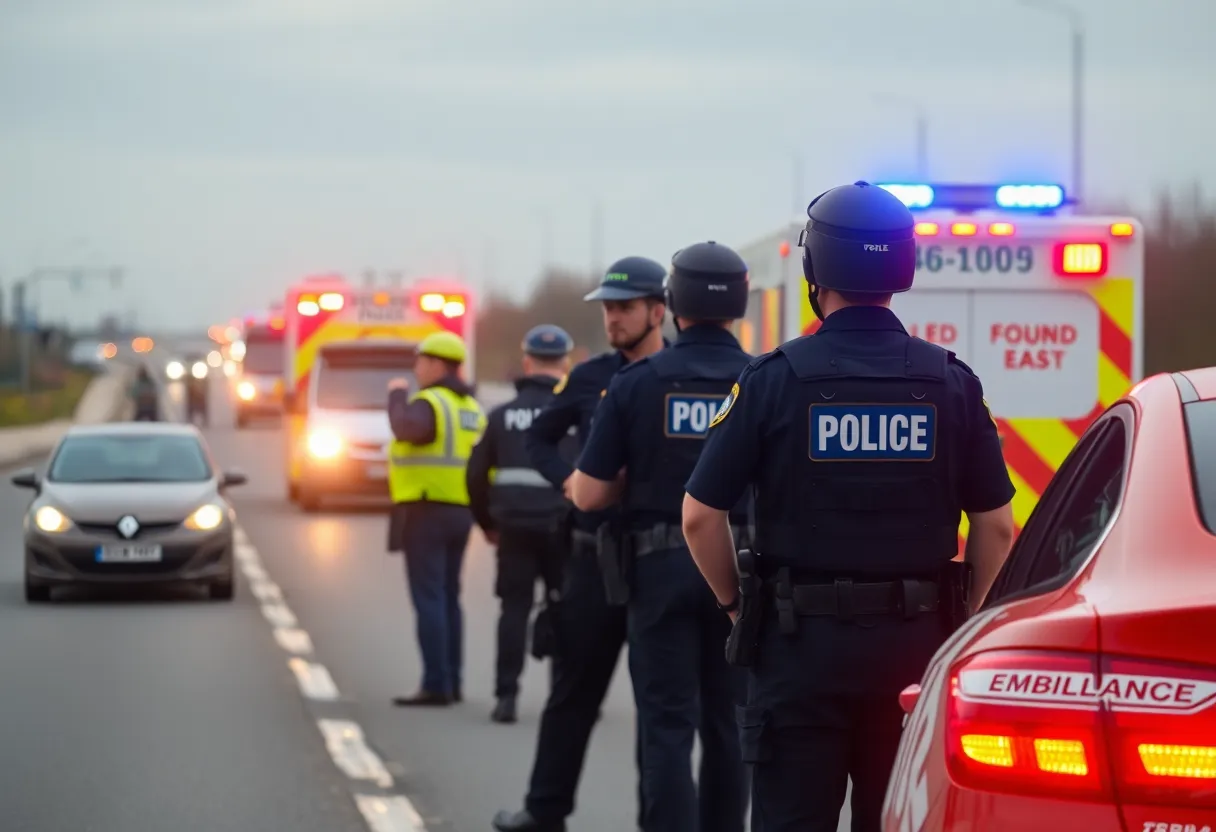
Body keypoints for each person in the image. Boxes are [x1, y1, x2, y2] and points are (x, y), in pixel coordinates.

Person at [681, 181, 1017, 832]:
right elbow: (997, 527)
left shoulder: (774, 377)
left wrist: (735, 606)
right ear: (902, 267)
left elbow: (699, 514)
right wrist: (960, 622)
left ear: (815, 269)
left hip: (797, 647)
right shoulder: (950, 380)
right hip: (914, 654)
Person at [570, 242, 750, 832]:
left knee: (668, 725)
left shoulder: (637, 383)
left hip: (658, 569)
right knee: (729, 724)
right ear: (738, 306)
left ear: (671, 306)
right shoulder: (763, 379)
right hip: (742, 571)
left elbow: (590, 494)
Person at [493, 258, 669, 832]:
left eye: (623, 308)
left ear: (657, 311)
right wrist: (568, 480)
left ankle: (657, 819)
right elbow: (541, 437)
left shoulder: (678, 374)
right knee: (572, 695)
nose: (612, 318)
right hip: (593, 560)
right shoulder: (590, 376)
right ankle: (543, 811)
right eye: (607, 309)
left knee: (660, 711)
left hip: (659, 564)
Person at [466, 324, 578, 725]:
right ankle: (565, 699)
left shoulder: (501, 416)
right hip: (563, 529)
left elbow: (475, 476)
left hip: (512, 526)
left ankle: (506, 697)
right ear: (565, 364)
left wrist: (486, 524)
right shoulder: (577, 415)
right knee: (566, 610)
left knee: (513, 610)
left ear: (526, 362)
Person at [386, 330, 487, 707]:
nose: (415, 369)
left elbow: (405, 428)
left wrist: (396, 395)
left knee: (429, 598)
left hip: (425, 510)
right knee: (448, 597)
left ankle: (435, 683)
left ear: (435, 364)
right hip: (460, 512)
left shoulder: (429, 403)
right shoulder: (471, 408)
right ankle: (452, 681)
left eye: (419, 362)